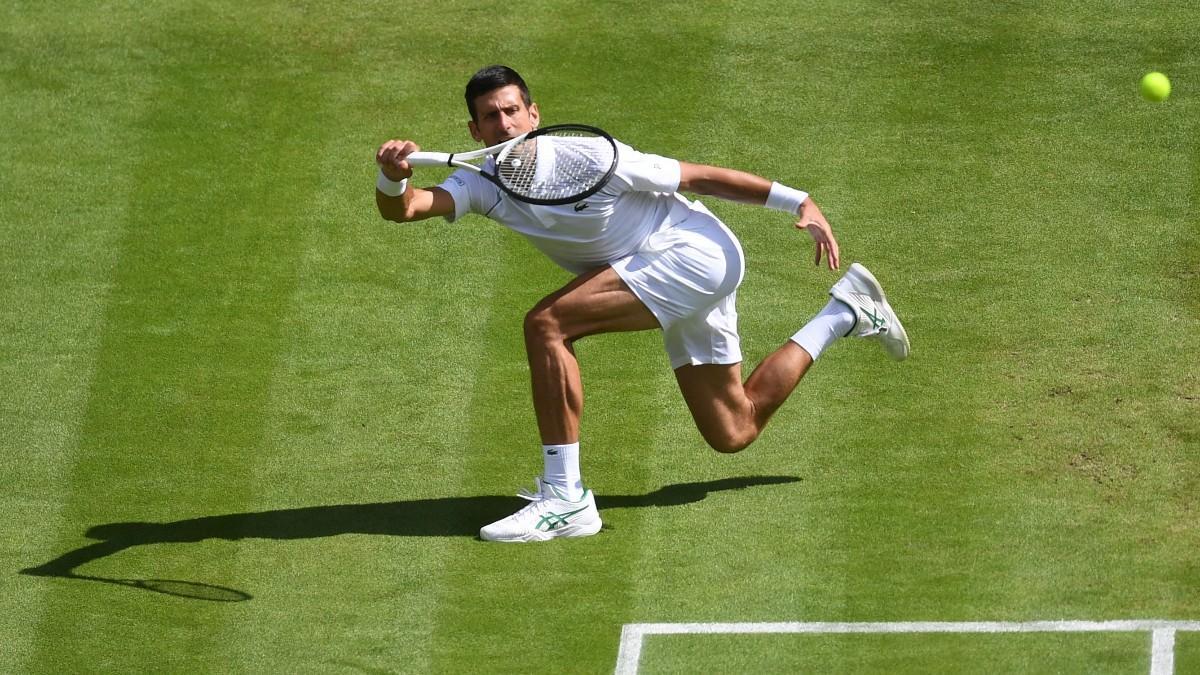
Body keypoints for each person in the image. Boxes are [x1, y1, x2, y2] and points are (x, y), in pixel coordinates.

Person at [374, 65, 909, 543]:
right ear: (475, 132)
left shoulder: (591, 157)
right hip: (659, 274)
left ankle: (565, 499)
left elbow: (697, 176)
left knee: (547, 325)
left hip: (693, 254)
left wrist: (799, 201)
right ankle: (846, 312)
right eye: (490, 117)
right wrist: (392, 179)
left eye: (513, 111)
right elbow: (409, 209)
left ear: (533, 115)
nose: (504, 124)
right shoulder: (481, 181)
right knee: (734, 429)